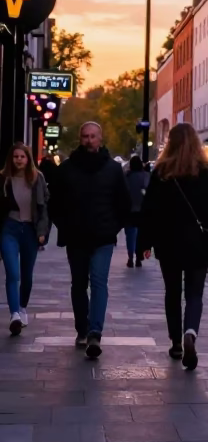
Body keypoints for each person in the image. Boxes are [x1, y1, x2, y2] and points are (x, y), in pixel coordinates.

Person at [137, 123, 208, 370]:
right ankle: (191, 332)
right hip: (197, 242)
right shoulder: (206, 171)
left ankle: (176, 342)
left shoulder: (162, 172)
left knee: (172, 293)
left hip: (168, 243)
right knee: (195, 294)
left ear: (171, 143)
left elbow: (149, 211)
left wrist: (144, 242)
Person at [51, 122, 130, 359]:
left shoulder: (113, 170)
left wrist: (113, 227)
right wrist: (64, 226)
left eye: (93, 136)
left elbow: (123, 203)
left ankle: (95, 332)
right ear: (79, 138)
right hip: (76, 237)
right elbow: (54, 203)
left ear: (100, 138)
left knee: (98, 282)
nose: (89, 140)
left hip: (103, 237)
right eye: (85, 136)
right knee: (78, 284)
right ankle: (81, 329)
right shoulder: (66, 169)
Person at [0, 143, 49, 334]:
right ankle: (14, 315)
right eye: (15, 156)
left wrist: (42, 231)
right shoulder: (4, 178)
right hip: (9, 229)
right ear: (10, 159)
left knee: (26, 275)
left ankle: (22, 307)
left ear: (28, 159)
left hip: (30, 229)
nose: (19, 160)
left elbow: (44, 207)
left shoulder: (37, 178)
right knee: (13, 273)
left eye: (22, 156)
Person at [124, 155, 148, 268]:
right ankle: (139, 257)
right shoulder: (146, 176)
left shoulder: (127, 177)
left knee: (130, 235)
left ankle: (130, 257)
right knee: (141, 235)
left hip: (129, 210)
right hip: (143, 211)